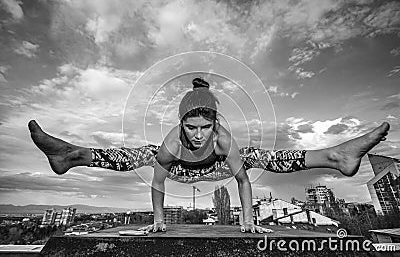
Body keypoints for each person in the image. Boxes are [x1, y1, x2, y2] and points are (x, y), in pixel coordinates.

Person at [28, 78, 390, 234]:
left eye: (205, 128)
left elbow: (243, 180)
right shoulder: (171, 143)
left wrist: (247, 219)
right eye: (191, 128)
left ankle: (336, 158)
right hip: (181, 171)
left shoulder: (223, 141)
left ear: (214, 125)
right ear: (181, 124)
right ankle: (71, 155)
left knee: (254, 156)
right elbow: (157, 184)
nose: (198, 135)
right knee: (143, 154)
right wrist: (158, 220)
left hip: (217, 168)